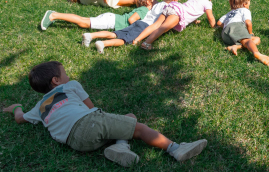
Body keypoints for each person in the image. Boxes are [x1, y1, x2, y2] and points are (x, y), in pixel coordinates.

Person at [3, 61, 207, 167]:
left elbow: (20, 119)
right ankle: (176, 148)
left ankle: (120, 148)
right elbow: (92, 108)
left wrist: (16, 108)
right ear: (56, 80)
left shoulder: (38, 107)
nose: (68, 76)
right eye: (64, 73)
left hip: (75, 143)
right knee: (137, 126)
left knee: (125, 120)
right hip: (89, 122)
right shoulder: (71, 86)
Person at [86, 0, 179, 53]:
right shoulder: (169, 7)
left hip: (139, 22)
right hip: (145, 26)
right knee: (124, 40)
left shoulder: (157, 4)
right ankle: (103, 43)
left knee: (116, 33)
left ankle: (92, 35)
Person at [40, 0, 157, 43]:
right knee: (83, 22)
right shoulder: (144, 10)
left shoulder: (143, 9)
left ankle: (55, 15)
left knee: (84, 21)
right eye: (154, 1)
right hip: (113, 21)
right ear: (148, 2)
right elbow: (132, 20)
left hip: (112, 19)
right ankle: (54, 15)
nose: (156, 3)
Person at [140, 0, 217, 51]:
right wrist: (214, 26)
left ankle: (137, 39)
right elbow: (211, 18)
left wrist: (195, 21)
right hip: (177, 14)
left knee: (156, 25)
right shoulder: (207, 3)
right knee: (162, 28)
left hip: (173, 7)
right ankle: (147, 43)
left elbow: (191, 9)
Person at [217, 0, 269, 66]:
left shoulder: (229, 13)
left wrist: (227, 27)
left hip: (225, 35)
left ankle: (235, 46)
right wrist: (250, 33)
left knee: (257, 39)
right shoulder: (245, 10)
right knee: (248, 41)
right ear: (245, 4)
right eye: (249, 2)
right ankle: (257, 54)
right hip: (236, 26)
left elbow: (219, 23)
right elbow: (248, 23)